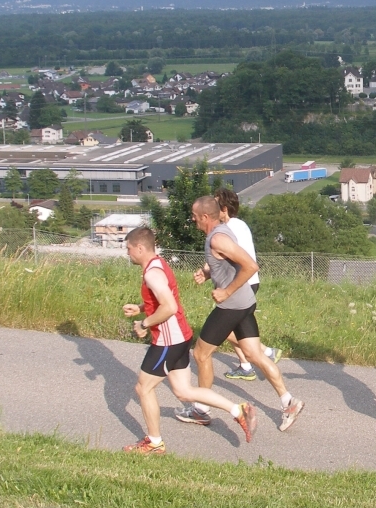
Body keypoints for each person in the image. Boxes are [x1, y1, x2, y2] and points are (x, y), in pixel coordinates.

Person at [121, 227, 257, 454]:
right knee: (184, 391)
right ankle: (238, 410)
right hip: (180, 337)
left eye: (129, 248)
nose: (128, 253)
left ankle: (154, 442)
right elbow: (165, 299)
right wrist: (142, 308)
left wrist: (144, 324)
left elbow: (170, 307)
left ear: (140, 248)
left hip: (168, 341)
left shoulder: (151, 274)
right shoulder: (159, 264)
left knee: (143, 388)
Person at [176, 196, 305, 433]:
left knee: (201, 355)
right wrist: (207, 273)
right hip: (244, 302)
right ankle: (289, 402)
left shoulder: (218, 238)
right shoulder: (222, 232)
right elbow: (228, 262)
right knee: (255, 354)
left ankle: (201, 409)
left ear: (205, 217)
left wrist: (226, 291)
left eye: (194, 215)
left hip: (232, 305)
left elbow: (251, 266)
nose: (192, 219)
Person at [213, 188, 282, 381]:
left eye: (215, 206)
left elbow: (228, 254)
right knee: (233, 329)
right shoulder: (238, 225)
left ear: (224, 209)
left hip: (241, 284)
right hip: (246, 283)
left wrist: (207, 269)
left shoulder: (231, 228)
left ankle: (265, 353)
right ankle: (245, 365)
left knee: (222, 330)